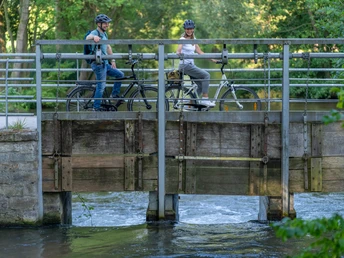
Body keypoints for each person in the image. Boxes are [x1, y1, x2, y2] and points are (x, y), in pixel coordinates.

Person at [86, 14, 124, 111]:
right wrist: (93, 37)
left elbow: (108, 47)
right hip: (98, 64)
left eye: (108, 23)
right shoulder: (95, 32)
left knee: (120, 74)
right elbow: (87, 37)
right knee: (101, 86)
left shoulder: (105, 34)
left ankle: (114, 95)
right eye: (105, 23)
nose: (107, 25)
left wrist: (112, 60)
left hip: (106, 64)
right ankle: (96, 108)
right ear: (99, 24)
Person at [176, 19, 216, 107]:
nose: (189, 30)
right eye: (187, 29)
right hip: (185, 66)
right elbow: (179, 49)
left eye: (190, 29)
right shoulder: (182, 39)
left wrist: (212, 59)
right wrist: (178, 53)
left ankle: (190, 105)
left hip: (190, 65)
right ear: (185, 29)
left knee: (200, 85)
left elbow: (200, 52)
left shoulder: (194, 40)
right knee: (206, 75)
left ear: (193, 29)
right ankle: (205, 99)